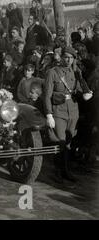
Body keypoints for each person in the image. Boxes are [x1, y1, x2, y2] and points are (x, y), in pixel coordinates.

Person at [43, 47, 93, 184]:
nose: (68, 60)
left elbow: (77, 89)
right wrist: (49, 114)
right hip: (59, 112)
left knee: (69, 143)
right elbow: (47, 96)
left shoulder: (75, 72)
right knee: (61, 142)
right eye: (66, 57)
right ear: (61, 57)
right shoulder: (52, 73)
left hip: (73, 112)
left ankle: (65, 171)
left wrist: (85, 93)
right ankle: (58, 172)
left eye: (71, 58)